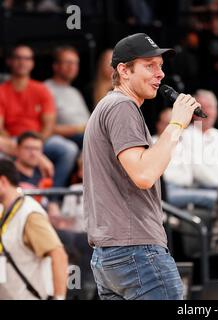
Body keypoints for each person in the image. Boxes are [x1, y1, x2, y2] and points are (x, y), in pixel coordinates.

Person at [83, 33, 200, 300]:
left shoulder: (108, 106)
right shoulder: (122, 106)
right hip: (136, 250)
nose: (160, 74)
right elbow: (144, 174)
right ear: (123, 71)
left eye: (161, 66)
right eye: (150, 65)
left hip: (110, 255)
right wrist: (177, 123)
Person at [0, 44, 78, 188]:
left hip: (40, 139)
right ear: (9, 61)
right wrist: (25, 148)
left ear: (32, 63)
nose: (22, 62)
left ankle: (53, 196)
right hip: (12, 140)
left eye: (27, 58)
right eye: (18, 58)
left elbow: (49, 125)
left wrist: (35, 147)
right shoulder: (2, 91)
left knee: (68, 149)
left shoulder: (41, 90)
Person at [0, 159, 68, 300]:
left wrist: (59, 298)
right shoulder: (4, 211)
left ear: (3, 182)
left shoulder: (29, 213)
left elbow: (59, 255)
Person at [45, 46, 90, 149]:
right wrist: (79, 129)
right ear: (55, 66)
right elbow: (47, 128)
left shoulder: (74, 91)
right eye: (68, 62)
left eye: (75, 63)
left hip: (86, 137)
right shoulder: (46, 89)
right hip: (67, 140)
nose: (72, 67)